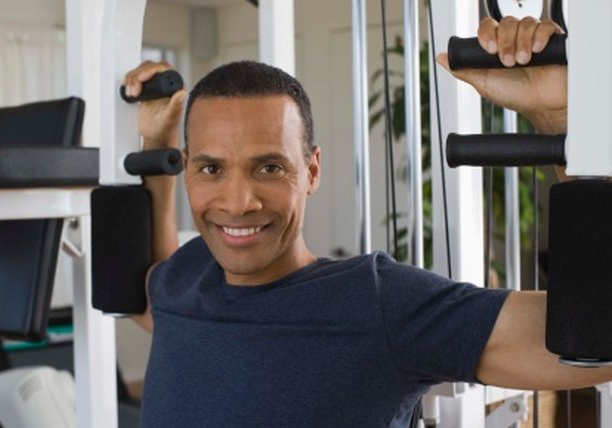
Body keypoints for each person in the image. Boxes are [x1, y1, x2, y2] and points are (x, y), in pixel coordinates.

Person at [120, 16, 601, 427]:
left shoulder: (379, 304)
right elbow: (145, 293)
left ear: (311, 170)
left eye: (269, 167)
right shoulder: (183, 280)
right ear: (186, 169)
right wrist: (154, 148)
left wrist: (560, 122)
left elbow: (597, 336)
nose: (238, 201)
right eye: (211, 169)